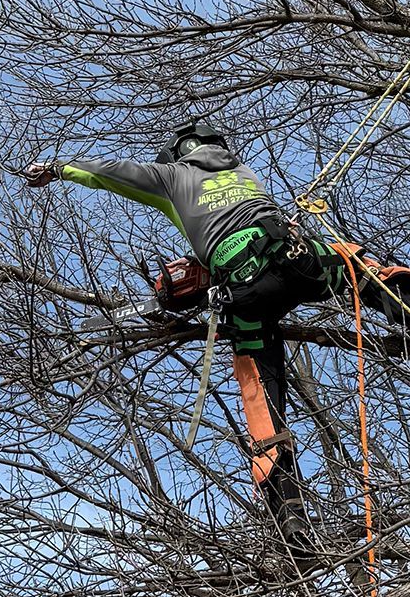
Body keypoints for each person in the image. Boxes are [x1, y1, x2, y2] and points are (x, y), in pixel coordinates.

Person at [25, 121, 329, 530]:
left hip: (244, 289)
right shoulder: (245, 174)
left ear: (175, 156)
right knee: (353, 264)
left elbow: (113, 172)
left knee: (261, 394)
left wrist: (59, 168)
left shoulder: (173, 176)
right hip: (293, 259)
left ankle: (288, 511)